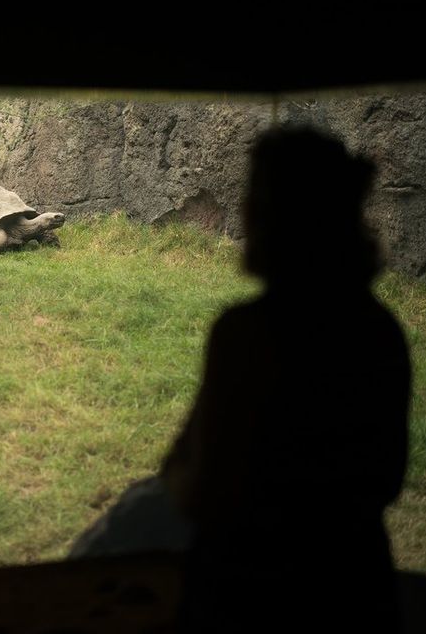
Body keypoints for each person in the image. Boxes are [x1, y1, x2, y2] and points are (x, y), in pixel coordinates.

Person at [161, 126, 411, 632]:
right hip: (353, 585)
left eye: (252, 195)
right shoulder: (379, 329)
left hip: (247, 589)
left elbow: (200, 479)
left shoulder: (246, 332)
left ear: (269, 215)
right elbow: (386, 477)